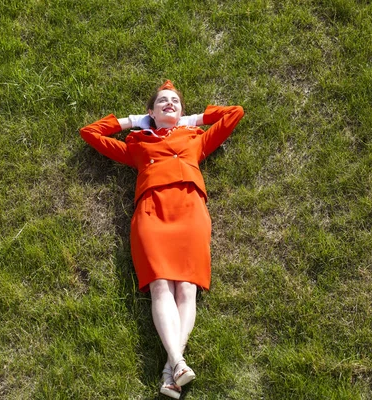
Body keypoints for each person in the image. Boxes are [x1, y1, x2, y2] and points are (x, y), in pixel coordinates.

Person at [79, 80, 244, 399]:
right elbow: (90, 133)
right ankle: (177, 363)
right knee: (159, 285)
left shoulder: (195, 139)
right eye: (162, 102)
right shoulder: (137, 145)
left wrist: (193, 120)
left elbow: (234, 113)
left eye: (175, 102)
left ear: (182, 112)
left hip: (189, 211)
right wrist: (129, 122)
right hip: (152, 213)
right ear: (150, 112)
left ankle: (173, 367)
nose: (170, 104)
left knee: (186, 287)